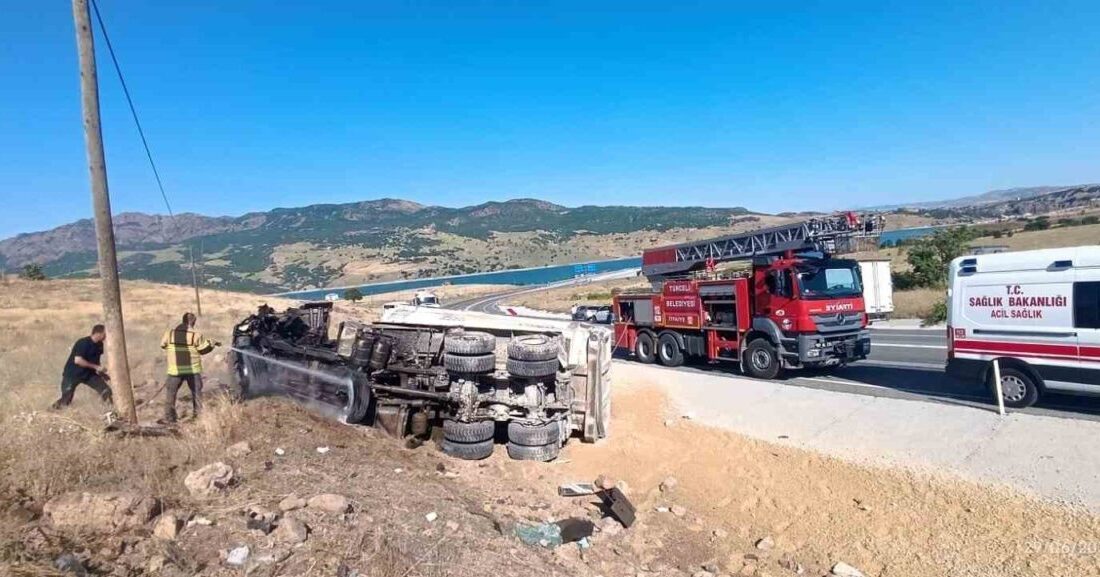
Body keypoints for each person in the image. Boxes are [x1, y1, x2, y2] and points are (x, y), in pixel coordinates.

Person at [160, 312, 218, 423]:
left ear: (183, 321)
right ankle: (198, 417)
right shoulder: (196, 335)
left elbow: (163, 345)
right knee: (197, 394)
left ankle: (170, 418)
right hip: (192, 370)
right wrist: (212, 343)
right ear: (193, 322)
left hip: (174, 370)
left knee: (171, 395)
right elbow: (203, 350)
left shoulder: (170, 333)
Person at [52, 324, 113, 409]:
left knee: (106, 391)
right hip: (73, 374)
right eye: (105, 334)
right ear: (99, 333)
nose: (107, 336)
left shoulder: (100, 345)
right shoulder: (83, 343)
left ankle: (110, 411)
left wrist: (102, 373)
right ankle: (52, 411)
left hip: (89, 375)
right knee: (66, 400)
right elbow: (78, 360)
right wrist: (96, 367)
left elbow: (96, 361)